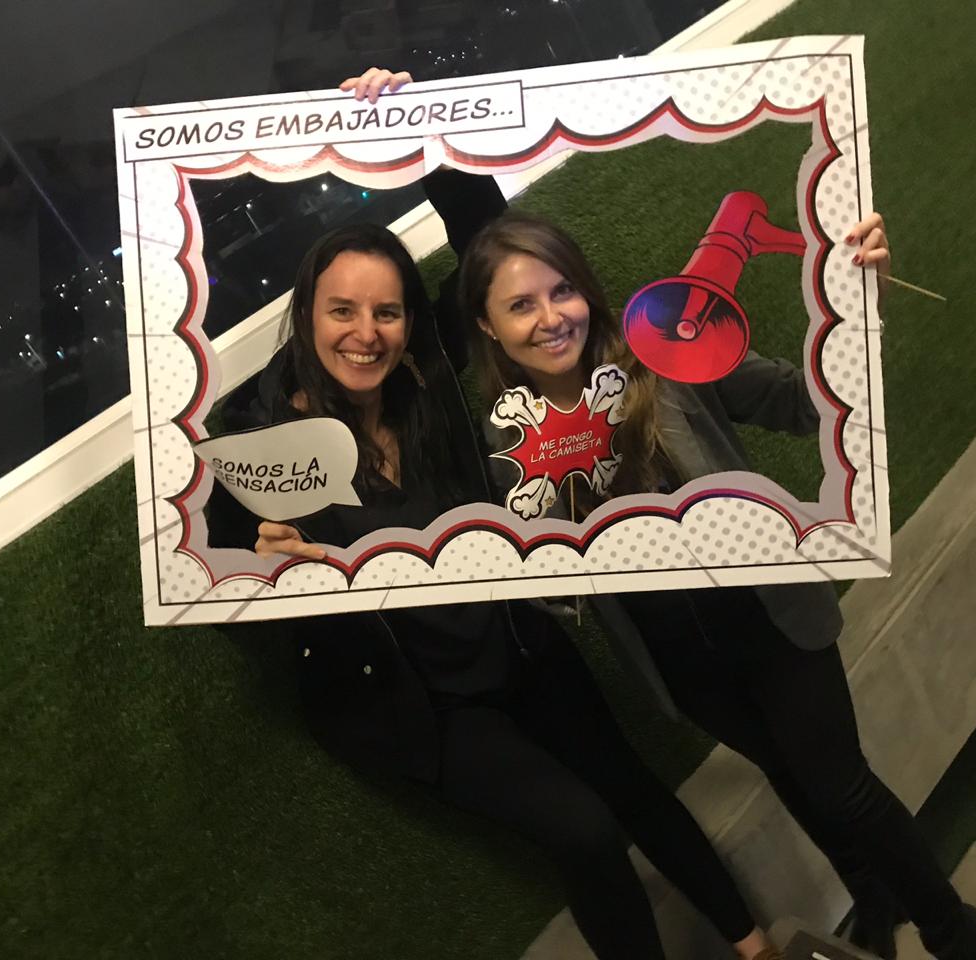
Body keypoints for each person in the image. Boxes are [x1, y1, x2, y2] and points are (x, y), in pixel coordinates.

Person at [205, 65, 787, 960]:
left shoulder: (430, 388)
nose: (365, 332)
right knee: (584, 831)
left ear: (411, 323)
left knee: (630, 786)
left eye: (387, 311)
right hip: (422, 703)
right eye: (341, 311)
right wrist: (262, 560)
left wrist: (416, 120)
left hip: (516, 639)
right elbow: (215, 578)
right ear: (306, 316)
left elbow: (484, 232)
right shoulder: (258, 439)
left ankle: (754, 946)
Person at [454, 202, 976, 960]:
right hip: (678, 659)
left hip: (769, 616)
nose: (551, 319)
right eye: (521, 305)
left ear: (588, 291)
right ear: (487, 327)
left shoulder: (660, 350)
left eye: (563, 291)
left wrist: (859, 311)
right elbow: (555, 582)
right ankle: (872, 895)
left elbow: (801, 404)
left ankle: (958, 936)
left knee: (839, 783)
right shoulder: (506, 437)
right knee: (789, 772)